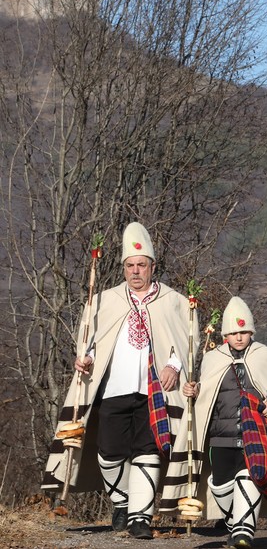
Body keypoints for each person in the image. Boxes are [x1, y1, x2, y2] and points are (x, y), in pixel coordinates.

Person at [43, 222, 191, 540]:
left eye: (141, 265)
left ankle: (140, 517)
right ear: (124, 268)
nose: (135, 271)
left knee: (148, 450)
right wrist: (86, 358)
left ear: (152, 266)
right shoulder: (105, 300)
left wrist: (174, 365)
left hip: (154, 391)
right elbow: (92, 342)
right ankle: (122, 502)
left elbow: (185, 341)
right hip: (115, 388)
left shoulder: (173, 300)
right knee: (109, 452)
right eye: (130, 266)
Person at [164, 296, 267, 548]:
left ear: (251, 331)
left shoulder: (266, 356)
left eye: (243, 332)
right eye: (233, 333)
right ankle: (234, 523)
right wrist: (194, 391)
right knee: (221, 484)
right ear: (225, 335)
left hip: (256, 434)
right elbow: (207, 393)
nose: (239, 337)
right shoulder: (213, 358)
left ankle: (243, 531)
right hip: (221, 436)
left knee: (249, 477)